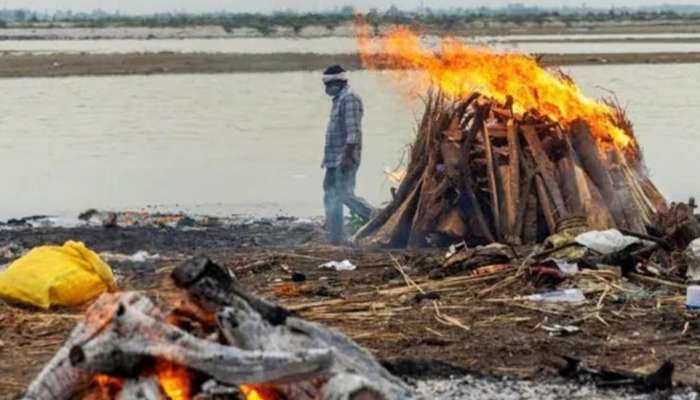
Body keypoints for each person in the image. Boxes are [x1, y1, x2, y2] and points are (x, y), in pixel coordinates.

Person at [321, 65, 373, 244]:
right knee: (330, 193)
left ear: (339, 81)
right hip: (333, 158)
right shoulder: (338, 99)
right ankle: (336, 236)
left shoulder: (349, 99)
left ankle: (374, 218)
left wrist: (347, 156)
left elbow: (353, 133)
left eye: (328, 84)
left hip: (344, 157)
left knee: (344, 194)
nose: (326, 88)